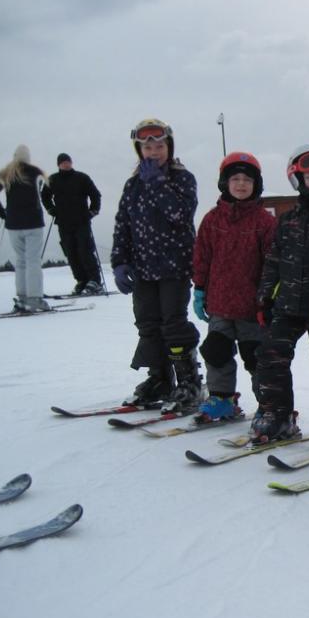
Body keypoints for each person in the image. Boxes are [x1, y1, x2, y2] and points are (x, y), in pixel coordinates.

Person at [250, 144, 309, 446]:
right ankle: (278, 415)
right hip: (287, 305)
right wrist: (264, 298)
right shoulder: (288, 220)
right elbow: (273, 261)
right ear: (298, 180)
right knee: (270, 356)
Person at [111, 118, 202, 412]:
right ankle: (160, 379)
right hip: (143, 268)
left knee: (173, 324)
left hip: (174, 266)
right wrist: (120, 262)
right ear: (139, 150)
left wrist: (158, 183)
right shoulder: (133, 185)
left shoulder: (182, 179)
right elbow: (122, 225)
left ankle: (189, 382)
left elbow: (180, 215)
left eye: (160, 146)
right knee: (148, 325)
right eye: (148, 148)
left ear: (169, 147)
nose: (154, 152)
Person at [191, 151, 276, 424]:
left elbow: (272, 263)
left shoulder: (264, 221)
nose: (241, 184)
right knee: (216, 352)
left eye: (247, 180)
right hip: (219, 303)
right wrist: (199, 288)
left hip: (252, 307)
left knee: (256, 357)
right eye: (235, 179)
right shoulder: (212, 219)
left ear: (256, 184)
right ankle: (221, 399)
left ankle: (268, 404)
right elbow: (202, 256)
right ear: (225, 183)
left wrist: (268, 298)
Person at [0, 144, 50, 312]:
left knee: (20, 261)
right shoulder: (36, 173)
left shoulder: (5, 174)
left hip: (13, 224)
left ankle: (22, 298)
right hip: (34, 222)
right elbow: (45, 189)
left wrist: (1, 211)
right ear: (28, 157)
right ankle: (35, 298)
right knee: (33, 260)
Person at [40, 153, 104, 295]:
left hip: (82, 221)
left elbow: (95, 194)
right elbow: (44, 196)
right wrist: (51, 209)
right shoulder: (52, 179)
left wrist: (93, 211)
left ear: (71, 162)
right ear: (59, 165)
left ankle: (95, 281)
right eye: (63, 162)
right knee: (71, 252)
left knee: (85, 250)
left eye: (68, 161)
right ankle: (82, 280)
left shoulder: (82, 178)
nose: (66, 164)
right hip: (63, 222)